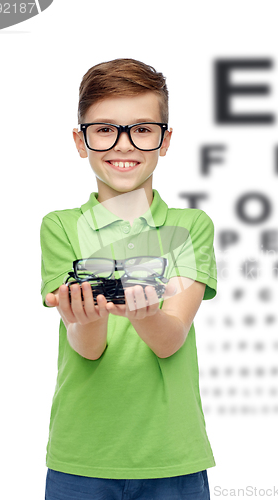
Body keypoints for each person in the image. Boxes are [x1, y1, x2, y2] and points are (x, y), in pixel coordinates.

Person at [40, 58, 217, 500]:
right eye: (104, 129)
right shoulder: (60, 226)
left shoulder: (191, 225)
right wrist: (84, 317)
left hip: (172, 454)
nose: (124, 145)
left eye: (142, 129)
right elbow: (88, 347)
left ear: (165, 140)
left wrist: (144, 315)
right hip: (81, 454)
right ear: (81, 142)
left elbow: (168, 339)